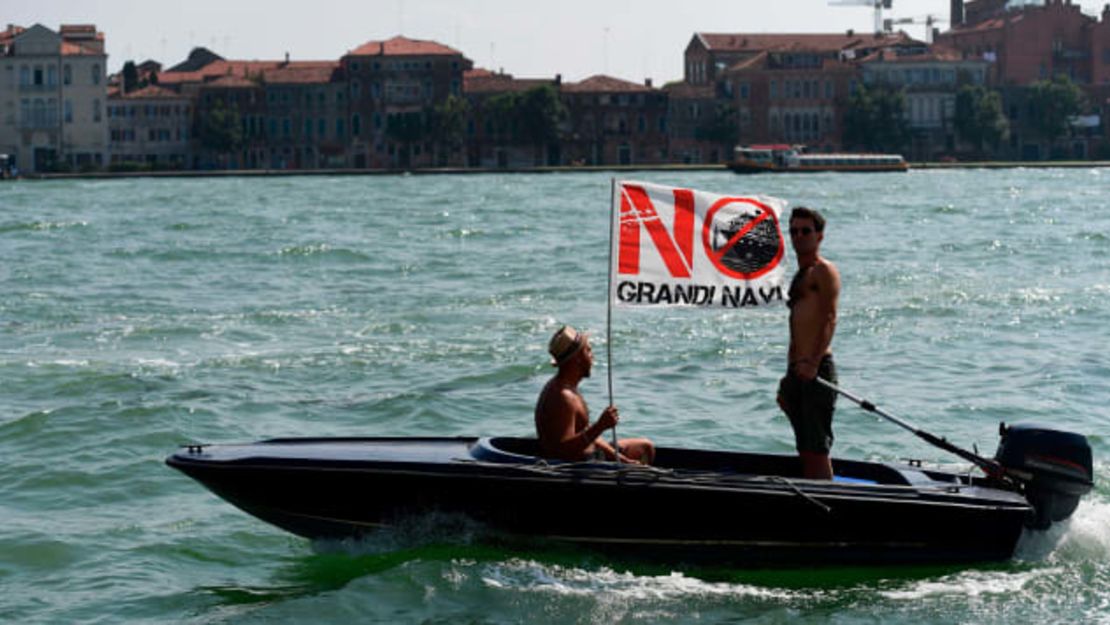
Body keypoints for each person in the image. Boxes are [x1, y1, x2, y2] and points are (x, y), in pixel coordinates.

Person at [778, 207, 841, 480]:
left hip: (817, 368)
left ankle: (828, 497)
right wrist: (792, 369)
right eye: (793, 231)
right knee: (802, 440)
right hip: (798, 369)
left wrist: (813, 363)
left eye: (806, 231)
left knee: (816, 447)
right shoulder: (799, 275)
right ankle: (812, 484)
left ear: (819, 236)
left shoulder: (823, 270)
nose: (799, 236)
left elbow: (829, 317)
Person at [534, 325, 655, 464]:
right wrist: (600, 426)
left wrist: (622, 460)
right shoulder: (563, 398)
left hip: (591, 454)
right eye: (588, 351)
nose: (593, 356)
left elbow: (586, 433)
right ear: (577, 358)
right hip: (579, 467)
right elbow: (562, 451)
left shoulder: (567, 388)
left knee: (644, 447)